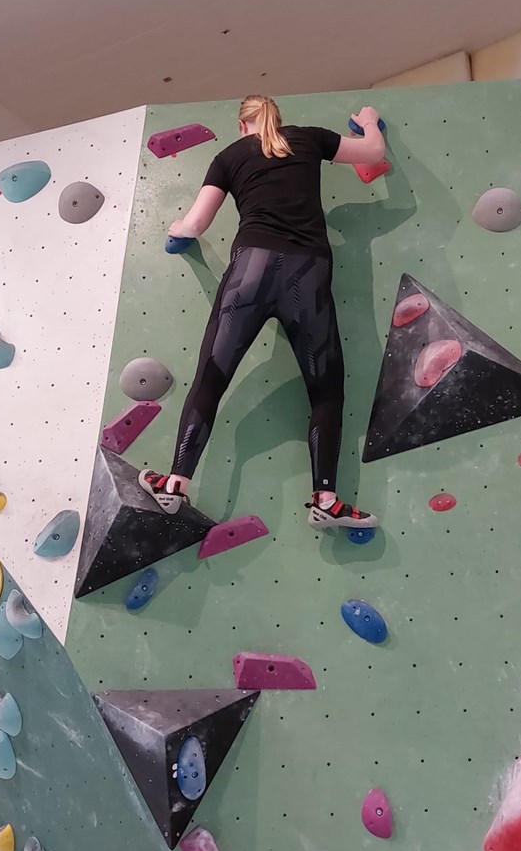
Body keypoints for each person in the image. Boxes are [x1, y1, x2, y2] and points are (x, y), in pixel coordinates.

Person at [140, 94, 385, 529]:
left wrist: (178, 230)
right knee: (325, 390)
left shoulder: (228, 157)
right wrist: (368, 121)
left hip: (250, 270)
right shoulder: (309, 138)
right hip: (308, 273)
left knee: (211, 378)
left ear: (242, 125)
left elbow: (195, 223)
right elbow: (372, 152)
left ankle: (174, 484)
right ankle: (326, 500)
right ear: (278, 118)